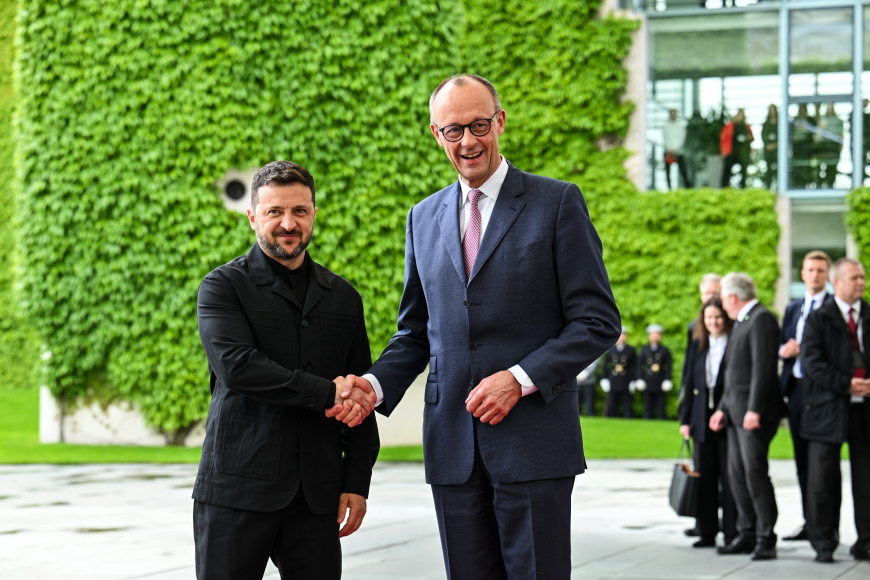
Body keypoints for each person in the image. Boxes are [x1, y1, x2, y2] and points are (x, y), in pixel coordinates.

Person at [342, 74, 621, 578]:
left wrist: (519, 378)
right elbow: (415, 333)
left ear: (500, 122)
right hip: (451, 446)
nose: (468, 141)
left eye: (478, 125)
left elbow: (597, 321)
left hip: (534, 444)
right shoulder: (421, 217)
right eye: (454, 130)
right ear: (436, 135)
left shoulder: (557, 202)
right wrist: (374, 385)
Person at [193, 161, 380, 580]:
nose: (288, 223)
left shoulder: (344, 297)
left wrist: (356, 480)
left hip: (316, 497)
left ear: (314, 214)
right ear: (253, 217)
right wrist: (328, 393)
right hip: (237, 490)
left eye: (300, 211)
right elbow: (238, 367)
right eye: (275, 211)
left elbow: (360, 390)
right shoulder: (222, 287)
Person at [710, 272, 787, 561]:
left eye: (722, 298)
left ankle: (766, 537)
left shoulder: (762, 318)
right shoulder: (743, 320)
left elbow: (763, 369)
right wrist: (722, 408)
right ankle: (747, 533)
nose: (722, 304)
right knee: (737, 475)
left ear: (733, 297)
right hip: (735, 414)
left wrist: (754, 409)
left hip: (754, 415)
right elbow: (733, 373)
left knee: (755, 474)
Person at [801, 258, 870, 563]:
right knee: (822, 481)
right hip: (826, 410)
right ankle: (823, 543)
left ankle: (866, 542)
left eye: (863, 277)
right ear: (837, 282)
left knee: (866, 480)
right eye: (855, 278)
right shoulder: (818, 318)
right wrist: (847, 384)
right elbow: (811, 362)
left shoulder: (868, 315)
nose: (861, 283)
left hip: (865, 412)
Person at [778, 250, 833, 542]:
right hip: (797, 389)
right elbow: (780, 343)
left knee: (823, 464)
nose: (815, 275)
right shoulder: (793, 308)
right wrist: (785, 350)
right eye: (810, 270)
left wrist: (807, 349)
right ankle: (808, 522)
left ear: (828, 275)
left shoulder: (833, 308)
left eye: (820, 270)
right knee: (802, 461)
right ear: (802, 274)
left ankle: (826, 526)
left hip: (823, 393)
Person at [679, 298, 737, 549]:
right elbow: (689, 381)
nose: (714, 322)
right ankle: (707, 531)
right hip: (701, 418)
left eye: (718, 317)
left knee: (729, 478)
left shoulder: (734, 341)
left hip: (727, 418)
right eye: (709, 317)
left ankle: (732, 533)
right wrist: (685, 419)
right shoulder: (698, 343)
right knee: (705, 477)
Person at [681, 272, 721, 539]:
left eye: (714, 293)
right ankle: (704, 525)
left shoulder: (730, 328)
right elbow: (688, 374)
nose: (709, 298)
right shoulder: (694, 330)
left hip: (724, 410)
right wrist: (685, 417)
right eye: (706, 294)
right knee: (702, 470)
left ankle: (730, 525)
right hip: (699, 411)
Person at [636, 324, 673, 420]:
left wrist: (667, 379)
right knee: (647, 405)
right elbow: (639, 366)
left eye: (657, 334)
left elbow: (668, 366)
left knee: (661, 405)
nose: (655, 336)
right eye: (653, 334)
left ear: (660, 336)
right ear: (649, 336)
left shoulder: (665, 350)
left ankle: (661, 420)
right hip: (647, 380)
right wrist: (639, 379)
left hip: (660, 381)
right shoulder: (644, 349)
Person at [602, 327, 637, 419]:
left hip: (626, 379)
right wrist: (604, 379)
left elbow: (635, 366)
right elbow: (605, 366)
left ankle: (628, 420)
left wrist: (634, 380)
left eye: (623, 335)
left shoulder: (631, 350)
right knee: (612, 403)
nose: (621, 337)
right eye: (620, 335)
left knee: (627, 403)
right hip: (613, 379)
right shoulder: (610, 349)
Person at [720, 109, 753, 188]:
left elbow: (751, 138)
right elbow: (724, 138)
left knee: (743, 172)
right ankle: (724, 187)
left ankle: (742, 187)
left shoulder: (746, 127)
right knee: (727, 171)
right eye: (739, 115)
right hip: (731, 152)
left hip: (743, 153)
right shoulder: (730, 126)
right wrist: (724, 151)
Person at [663, 109, 692, 190]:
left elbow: (682, 139)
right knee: (668, 173)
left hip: (678, 152)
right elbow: (665, 138)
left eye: (674, 114)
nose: (673, 116)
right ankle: (669, 189)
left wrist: (675, 149)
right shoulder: (666, 127)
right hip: (668, 152)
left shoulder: (680, 127)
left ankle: (688, 188)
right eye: (671, 114)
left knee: (683, 172)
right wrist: (670, 150)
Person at [817, 103, 843, 189]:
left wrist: (841, 145)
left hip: (834, 145)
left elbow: (841, 133)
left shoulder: (838, 120)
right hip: (825, 145)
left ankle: (830, 185)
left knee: (833, 166)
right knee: (823, 165)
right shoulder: (822, 120)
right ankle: (822, 185)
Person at [791, 104, 814, 189]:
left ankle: (806, 184)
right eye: (800, 109)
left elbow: (813, 131)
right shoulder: (794, 120)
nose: (802, 111)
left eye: (803, 109)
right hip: (796, 147)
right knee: (796, 166)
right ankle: (796, 185)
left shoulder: (810, 120)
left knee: (805, 167)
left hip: (806, 147)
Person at [761, 104, 778, 190]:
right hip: (768, 151)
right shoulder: (766, 124)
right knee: (768, 170)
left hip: (777, 151)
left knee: (779, 169)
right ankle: (768, 187)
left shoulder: (780, 124)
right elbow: (763, 136)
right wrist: (768, 145)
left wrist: (776, 144)